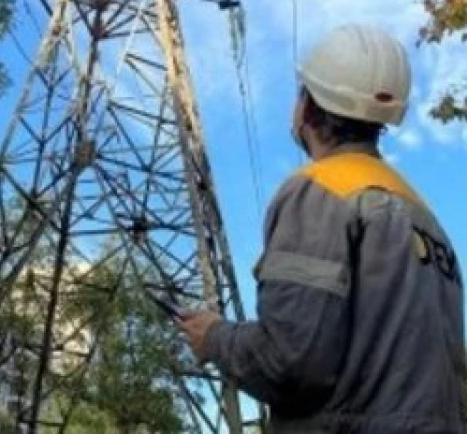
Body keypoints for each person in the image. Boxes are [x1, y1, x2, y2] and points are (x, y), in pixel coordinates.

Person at [179, 24, 466, 434]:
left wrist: (215, 337)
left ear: (309, 108)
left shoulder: (318, 191)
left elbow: (290, 364)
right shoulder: (425, 218)